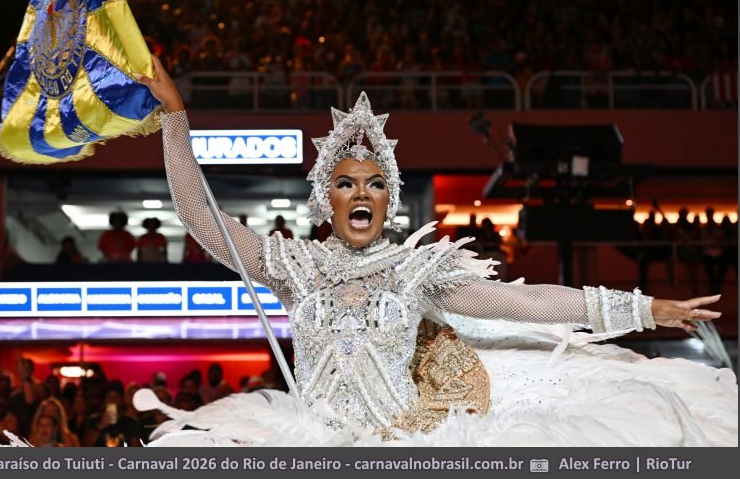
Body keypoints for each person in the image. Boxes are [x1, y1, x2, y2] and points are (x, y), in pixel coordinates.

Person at [105, 57, 737, 446]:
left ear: (389, 200)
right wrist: (174, 115)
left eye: (375, 183)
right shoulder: (292, 266)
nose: (361, 193)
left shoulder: (418, 271)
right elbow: (199, 217)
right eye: (347, 182)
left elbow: (533, 301)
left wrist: (647, 308)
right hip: (310, 442)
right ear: (327, 198)